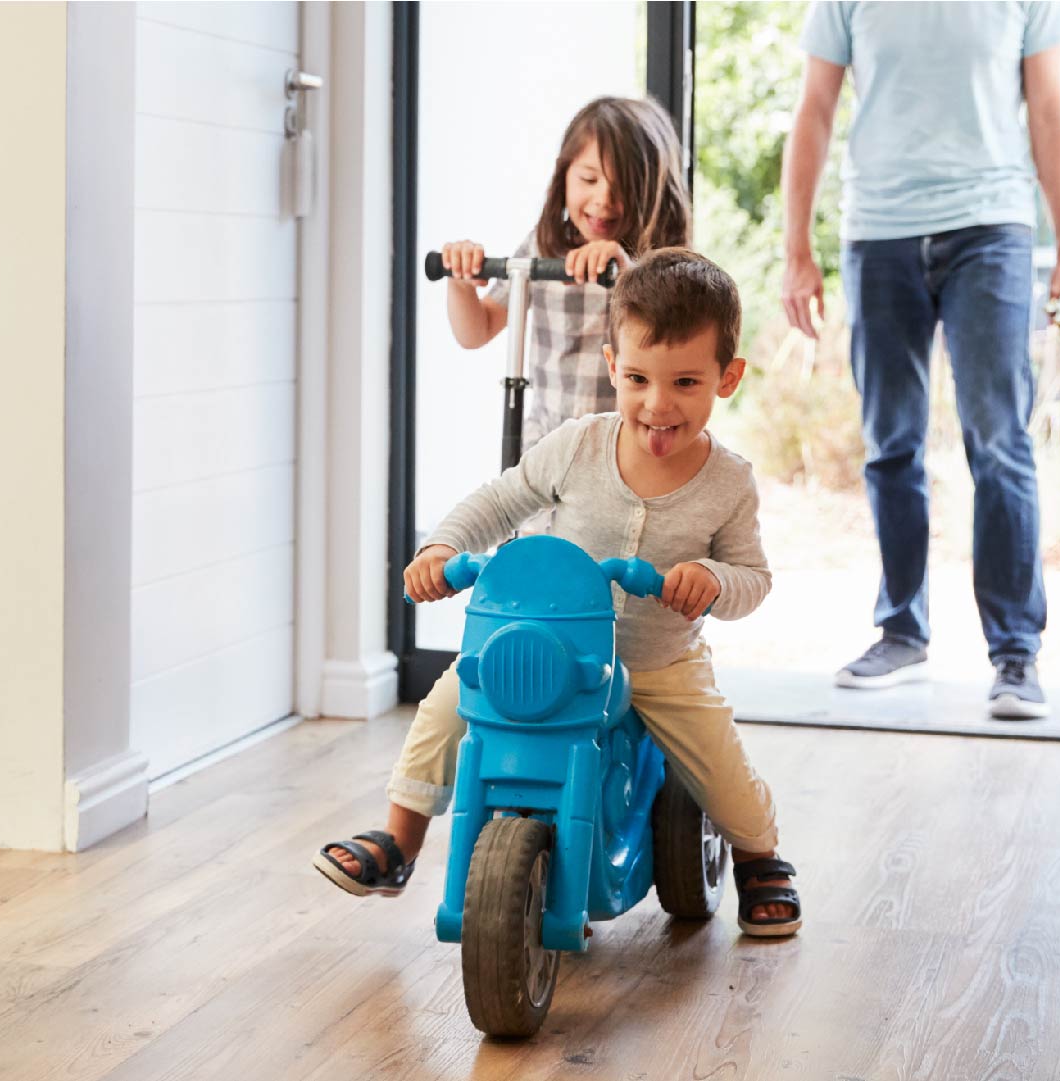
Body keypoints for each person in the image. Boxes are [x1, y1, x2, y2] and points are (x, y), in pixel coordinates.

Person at [315, 250, 801, 938]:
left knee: (718, 765)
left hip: (659, 662)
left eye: (685, 382)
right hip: (552, 648)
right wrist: (440, 547)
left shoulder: (728, 482)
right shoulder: (577, 445)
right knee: (451, 705)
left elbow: (753, 578)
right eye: (637, 378)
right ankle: (399, 840)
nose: (657, 404)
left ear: (727, 378)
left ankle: (759, 856)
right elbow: (500, 499)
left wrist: (715, 581)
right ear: (612, 368)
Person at [780, 2, 1060, 720]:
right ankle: (901, 629)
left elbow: (1049, 109)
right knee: (890, 442)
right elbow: (813, 112)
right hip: (878, 230)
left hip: (990, 226)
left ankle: (1015, 651)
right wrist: (795, 251)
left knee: (1000, 440)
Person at [437, 95, 691, 455]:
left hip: (625, 451)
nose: (603, 199)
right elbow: (476, 330)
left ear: (652, 190)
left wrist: (627, 275)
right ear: (564, 176)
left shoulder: (661, 265)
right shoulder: (544, 247)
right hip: (548, 448)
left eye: (623, 188)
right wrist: (460, 284)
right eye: (589, 179)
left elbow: (677, 346)